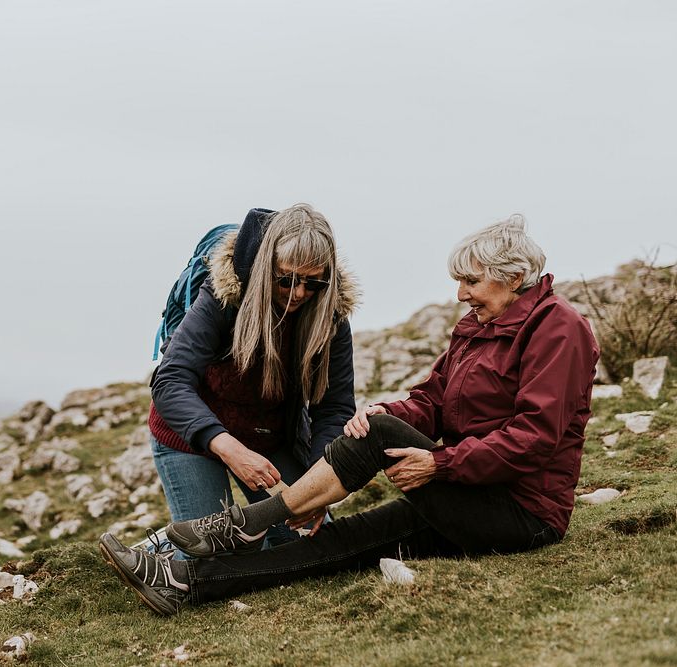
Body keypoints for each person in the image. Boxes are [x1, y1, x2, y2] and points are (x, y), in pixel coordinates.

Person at [101, 215, 600, 614]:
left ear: (513, 277)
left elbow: (536, 436)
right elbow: (432, 402)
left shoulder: (559, 329)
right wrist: (383, 413)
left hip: (522, 513)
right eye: (459, 282)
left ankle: (249, 522)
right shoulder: (478, 327)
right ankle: (180, 581)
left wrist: (439, 465)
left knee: (361, 458)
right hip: (468, 496)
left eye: (470, 281)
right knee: (340, 543)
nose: (460, 295)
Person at [148, 204, 358, 554]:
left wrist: (320, 482)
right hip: (191, 438)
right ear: (265, 268)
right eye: (286, 279)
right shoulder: (223, 298)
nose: (299, 294)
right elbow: (170, 380)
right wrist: (228, 447)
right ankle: (161, 550)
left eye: (314, 282)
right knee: (215, 555)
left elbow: (334, 408)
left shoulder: (330, 317)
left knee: (311, 546)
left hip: (269, 438)